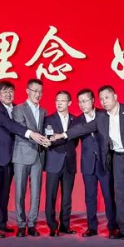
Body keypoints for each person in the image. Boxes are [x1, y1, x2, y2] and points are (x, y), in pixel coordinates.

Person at [52, 85, 124, 241]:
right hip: (116, 159)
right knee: (120, 197)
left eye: (107, 97)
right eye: (102, 99)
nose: (104, 101)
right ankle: (123, 230)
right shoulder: (102, 117)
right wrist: (62, 135)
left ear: (115, 97)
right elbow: (83, 128)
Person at [0, 80, 49, 238]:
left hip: (9, 157)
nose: (8, 94)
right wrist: (31, 134)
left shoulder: (15, 108)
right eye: (4, 91)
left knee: (4, 194)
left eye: (10, 91)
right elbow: (10, 125)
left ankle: (2, 223)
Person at [72, 88, 118, 237]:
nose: (82, 104)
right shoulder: (77, 120)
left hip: (104, 163)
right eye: (79, 102)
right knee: (90, 198)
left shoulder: (104, 115)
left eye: (84, 101)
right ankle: (92, 227)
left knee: (109, 196)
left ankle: (113, 226)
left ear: (92, 101)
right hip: (88, 164)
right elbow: (72, 141)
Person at [11, 79, 47, 237]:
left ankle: (32, 223)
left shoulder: (43, 111)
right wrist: (37, 137)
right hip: (21, 155)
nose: (37, 94)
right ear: (27, 91)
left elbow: (43, 131)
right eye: (35, 91)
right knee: (20, 191)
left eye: (40, 91)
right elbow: (20, 128)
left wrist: (47, 140)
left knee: (36, 192)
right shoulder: (18, 109)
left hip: (38, 156)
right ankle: (20, 224)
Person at [43, 91, 79, 236]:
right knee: (51, 196)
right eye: (57, 100)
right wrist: (62, 140)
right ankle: (52, 227)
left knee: (67, 197)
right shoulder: (48, 119)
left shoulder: (75, 120)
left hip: (69, 162)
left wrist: (61, 141)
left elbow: (75, 140)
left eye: (63, 100)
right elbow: (48, 139)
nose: (59, 103)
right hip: (53, 161)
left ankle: (65, 225)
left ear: (69, 103)